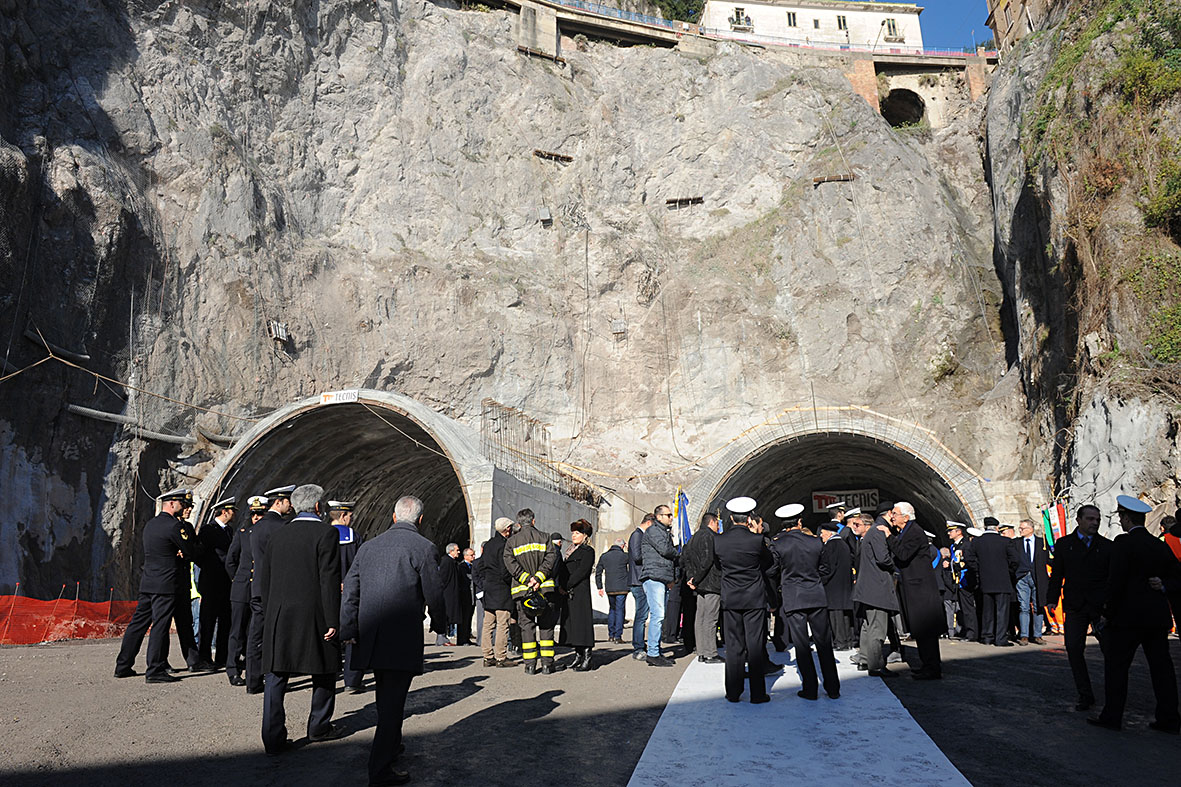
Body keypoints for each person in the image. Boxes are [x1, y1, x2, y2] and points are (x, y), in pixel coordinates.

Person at [341, 495, 447, 786]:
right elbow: (434, 594)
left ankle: (392, 745)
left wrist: (348, 629)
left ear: (393, 515)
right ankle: (380, 769)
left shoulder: (368, 547)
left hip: (371, 634)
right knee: (393, 703)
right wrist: (440, 624)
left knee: (386, 698)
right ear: (421, 520)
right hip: (401, 637)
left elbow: (351, 590)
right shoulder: (424, 548)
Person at [258, 484, 343, 756]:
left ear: (293, 506)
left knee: (276, 674)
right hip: (314, 613)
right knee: (324, 669)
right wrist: (333, 619)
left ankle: (272, 737)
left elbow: (265, 578)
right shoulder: (327, 533)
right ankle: (318, 726)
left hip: (279, 613)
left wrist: (270, 612)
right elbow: (328, 579)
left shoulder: (278, 535)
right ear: (318, 507)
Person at [1089, 495, 1180, 734]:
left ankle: (1113, 715)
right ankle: (1169, 718)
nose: (1120, 521)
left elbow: (1115, 581)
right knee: (1162, 669)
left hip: (1126, 618)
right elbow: (1177, 576)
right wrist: (1163, 585)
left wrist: (1106, 611)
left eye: (1121, 517)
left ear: (1127, 518)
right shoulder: (1159, 545)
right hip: (1156, 617)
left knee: (1117, 667)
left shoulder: (1123, 543)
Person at [114, 488, 203, 683]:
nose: (184, 507)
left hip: (149, 582)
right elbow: (191, 550)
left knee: (138, 624)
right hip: (166, 584)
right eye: (181, 503)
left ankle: (123, 665)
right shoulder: (174, 527)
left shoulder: (151, 525)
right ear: (172, 504)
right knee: (160, 626)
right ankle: (154, 669)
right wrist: (185, 552)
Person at [1047, 503, 1112, 711]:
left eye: (1097, 519)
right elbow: (1057, 575)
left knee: (1110, 651)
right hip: (1075, 605)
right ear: (1079, 520)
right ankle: (1085, 694)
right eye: (1090, 519)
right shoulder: (1065, 545)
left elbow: (1112, 578)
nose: (1095, 523)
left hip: (1099, 607)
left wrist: (1109, 606)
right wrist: (1051, 599)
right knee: (1074, 649)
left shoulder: (1107, 546)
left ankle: (1114, 696)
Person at [772, 505, 840, 700]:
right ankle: (833, 687)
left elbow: (772, 570)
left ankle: (810, 689)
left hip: (794, 597)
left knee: (802, 645)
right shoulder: (816, 542)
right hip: (816, 595)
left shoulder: (778, 544)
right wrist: (814, 582)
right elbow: (825, 569)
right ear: (800, 521)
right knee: (823, 643)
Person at [713, 496, 772, 704]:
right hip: (754, 597)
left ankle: (733, 691)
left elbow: (718, 566)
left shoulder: (719, 540)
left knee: (733, 645)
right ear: (749, 519)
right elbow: (768, 561)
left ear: (730, 518)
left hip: (731, 598)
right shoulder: (757, 540)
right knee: (755, 645)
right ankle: (757, 693)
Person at [886, 502, 943, 679]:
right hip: (914, 588)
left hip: (921, 590)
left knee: (926, 630)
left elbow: (903, 554)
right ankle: (926, 664)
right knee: (920, 630)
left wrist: (889, 536)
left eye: (895, 513)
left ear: (906, 517)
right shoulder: (906, 531)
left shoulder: (915, 532)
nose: (892, 516)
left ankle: (932, 668)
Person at [248, 485, 295, 694]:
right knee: (277, 635)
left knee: (256, 635)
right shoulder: (281, 527)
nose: (290, 505)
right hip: (276, 589)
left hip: (257, 587)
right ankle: (275, 676)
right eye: (288, 501)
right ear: (279, 502)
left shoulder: (257, 526)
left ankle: (253, 680)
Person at [504, 508, 561, 674]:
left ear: (518, 523)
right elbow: (551, 559)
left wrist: (526, 579)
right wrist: (538, 578)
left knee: (526, 628)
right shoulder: (545, 538)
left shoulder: (511, 542)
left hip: (523, 592)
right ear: (533, 521)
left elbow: (510, 564)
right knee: (546, 627)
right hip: (545, 589)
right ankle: (547, 665)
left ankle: (529, 665)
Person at [851, 510, 899, 677]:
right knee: (876, 629)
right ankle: (876, 665)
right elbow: (883, 559)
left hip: (867, 589)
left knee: (867, 626)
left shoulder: (870, 535)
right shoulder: (877, 532)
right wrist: (896, 567)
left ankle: (865, 660)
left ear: (866, 524)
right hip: (876, 589)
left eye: (857, 524)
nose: (853, 527)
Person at [225, 495, 266, 686]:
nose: (257, 517)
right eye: (254, 514)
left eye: (260, 514)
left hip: (258, 589)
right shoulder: (242, 532)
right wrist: (237, 578)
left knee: (255, 632)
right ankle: (233, 669)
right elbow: (231, 560)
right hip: (242, 588)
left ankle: (254, 668)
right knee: (237, 631)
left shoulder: (266, 532)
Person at [329, 500, 366, 692]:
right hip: (350, 592)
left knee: (329, 632)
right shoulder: (355, 538)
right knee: (351, 633)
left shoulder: (323, 536)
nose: (351, 518)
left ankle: (330, 672)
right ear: (343, 516)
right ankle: (352, 680)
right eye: (350, 515)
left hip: (327, 593)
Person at [196, 497, 236, 669]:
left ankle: (222, 656)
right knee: (208, 622)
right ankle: (204, 657)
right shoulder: (208, 530)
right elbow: (200, 555)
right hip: (211, 582)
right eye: (232, 510)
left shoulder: (229, 531)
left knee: (226, 621)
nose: (234, 514)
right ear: (225, 511)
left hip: (226, 583)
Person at [969, 517, 1017, 647]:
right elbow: (1014, 560)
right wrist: (1008, 572)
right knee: (1002, 611)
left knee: (987, 611)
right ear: (997, 528)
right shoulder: (1006, 541)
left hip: (985, 581)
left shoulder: (977, 542)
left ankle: (987, 637)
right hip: (1003, 581)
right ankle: (1000, 638)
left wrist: (978, 571)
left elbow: (969, 558)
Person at [683, 512, 723, 664]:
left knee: (700, 618)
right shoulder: (709, 537)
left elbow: (687, 559)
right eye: (717, 523)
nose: (718, 527)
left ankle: (701, 651)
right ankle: (711, 653)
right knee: (711, 619)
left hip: (699, 584)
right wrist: (697, 578)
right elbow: (708, 560)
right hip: (711, 583)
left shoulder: (693, 538)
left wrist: (691, 579)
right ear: (711, 522)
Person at [641, 504, 677, 667]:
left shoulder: (663, 532)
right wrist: (677, 552)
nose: (671, 517)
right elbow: (665, 550)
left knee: (660, 615)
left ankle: (656, 650)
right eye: (668, 515)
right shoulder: (654, 531)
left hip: (661, 577)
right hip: (654, 577)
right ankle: (653, 653)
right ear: (659, 517)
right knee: (658, 615)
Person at [173, 498, 206, 671]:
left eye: (190, 507)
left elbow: (196, 549)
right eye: (186, 506)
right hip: (171, 583)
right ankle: (160, 663)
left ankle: (193, 661)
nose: (188, 509)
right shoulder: (171, 526)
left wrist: (186, 552)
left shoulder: (188, 528)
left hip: (186, 584)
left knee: (186, 624)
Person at [479, 517, 516, 667]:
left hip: (489, 588)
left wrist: (485, 582)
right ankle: (501, 657)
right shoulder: (504, 545)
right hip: (501, 589)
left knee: (488, 624)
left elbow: (480, 566)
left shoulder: (488, 545)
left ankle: (487, 656)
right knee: (503, 623)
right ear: (507, 529)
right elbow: (505, 569)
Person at [561, 519, 597, 671]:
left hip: (580, 591)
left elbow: (582, 571)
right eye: (573, 533)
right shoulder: (570, 550)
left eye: (577, 533)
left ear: (585, 535)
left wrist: (567, 584)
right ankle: (578, 655)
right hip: (569, 593)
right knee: (573, 625)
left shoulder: (588, 551)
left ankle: (587, 657)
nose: (574, 536)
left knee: (583, 624)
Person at [818, 520, 855, 650]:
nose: (821, 536)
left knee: (835, 616)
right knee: (845, 615)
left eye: (822, 533)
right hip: (844, 585)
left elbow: (828, 568)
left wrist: (821, 580)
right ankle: (848, 640)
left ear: (829, 533)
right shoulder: (843, 545)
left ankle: (840, 642)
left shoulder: (830, 546)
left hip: (833, 587)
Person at [1014, 519, 1049, 645]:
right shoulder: (1016, 543)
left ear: (1031, 529)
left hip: (1038, 577)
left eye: (1022, 528)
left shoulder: (1042, 542)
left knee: (1038, 606)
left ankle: (1037, 635)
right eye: (1020, 528)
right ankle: (1024, 635)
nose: (1020, 530)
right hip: (1022, 577)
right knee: (1024, 607)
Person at [595, 538, 631, 643]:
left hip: (609, 588)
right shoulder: (625, 556)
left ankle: (611, 635)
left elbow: (598, 572)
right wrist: (630, 549)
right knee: (620, 611)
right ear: (622, 546)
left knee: (612, 610)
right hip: (622, 588)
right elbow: (635, 560)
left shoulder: (604, 556)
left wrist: (599, 586)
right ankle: (618, 636)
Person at [628, 514, 654, 660]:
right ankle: (638, 646)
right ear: (648, 523)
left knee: (642, 614)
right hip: (638, 581)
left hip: (639, 580)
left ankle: (639, 644)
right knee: (641, 615)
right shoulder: (637, 535)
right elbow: (637, 557)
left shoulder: (638, 535)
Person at [947, 522, 978, 641]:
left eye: (951, 531)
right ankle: (966, 630)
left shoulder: (965, 545)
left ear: (959, 532)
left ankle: (972, 633)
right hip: (957, 580)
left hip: (965, 579)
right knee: (962, 608)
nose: (949, 533)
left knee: (968, 608)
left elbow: (968, 562)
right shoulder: (954, 546)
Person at [436, 543, 461, 646]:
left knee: (448, 616)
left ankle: (444, 638)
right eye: (457, 550)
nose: (458, 552)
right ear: (451, 551)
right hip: (447, 594)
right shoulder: (446, 561)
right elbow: (443, 578)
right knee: (445, 615)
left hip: (451, 593)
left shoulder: (452, 561)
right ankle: (441, 639)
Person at [459, 547, 477, 646]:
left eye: (473, 554)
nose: (473, 556)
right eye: (471, 555)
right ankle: (462, 639)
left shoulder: (472, 566)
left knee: (469, 617)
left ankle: (467, 636)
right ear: (465, 556)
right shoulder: (462, 567)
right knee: (464, 618)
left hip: (471, 596)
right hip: (465, 596)